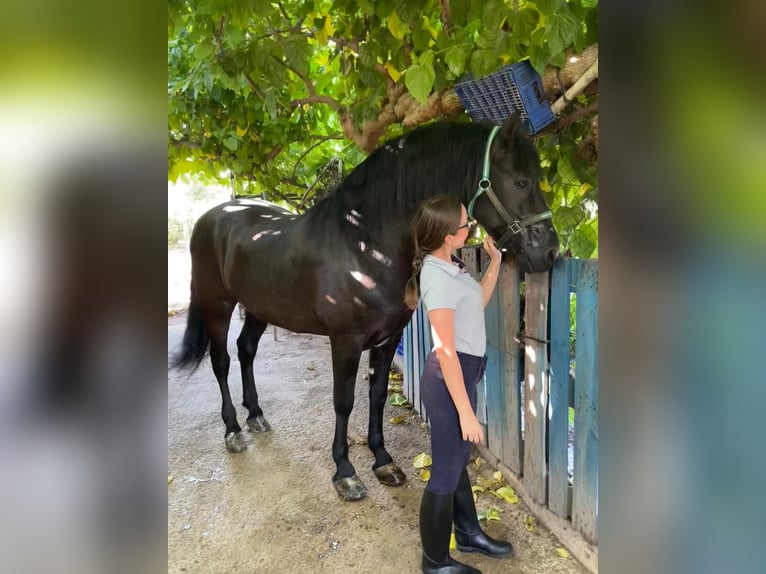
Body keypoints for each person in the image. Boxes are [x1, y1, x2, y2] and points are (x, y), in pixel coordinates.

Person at [404, 195, 514, 574]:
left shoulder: (451, 266)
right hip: (449, 380)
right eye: (467, 225)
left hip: (461, 376)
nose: (472, 229)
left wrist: (495, 263)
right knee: (445, 473)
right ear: (448, 236)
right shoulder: (436, 277)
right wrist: (466, 412)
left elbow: (476, 302)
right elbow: (445, 350)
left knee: (457, 461)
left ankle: (467, 534)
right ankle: (434, 562)